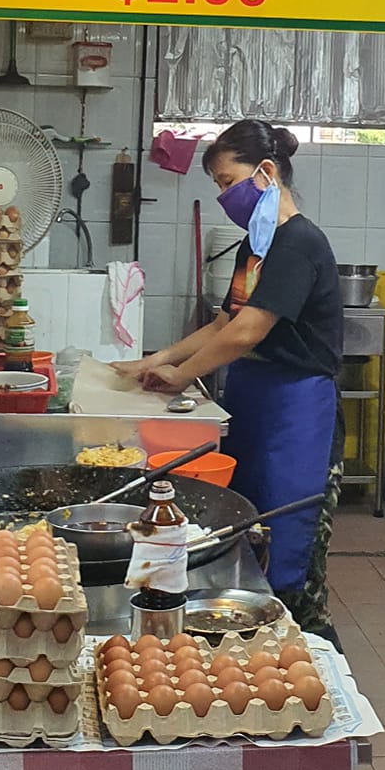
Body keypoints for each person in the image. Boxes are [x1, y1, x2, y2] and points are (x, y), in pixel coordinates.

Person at [115, 120, 343, 640]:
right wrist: (156, 359)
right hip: (254, 405)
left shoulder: (299, 243)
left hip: (297, 415)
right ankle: (251, 650)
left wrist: (180, 376)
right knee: (245, 537)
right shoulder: (255, 247)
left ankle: (316, 673)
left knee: (290, 560)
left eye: (226, 182)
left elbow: (246, 332)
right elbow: (224, 321)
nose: (223, 196)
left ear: (266, 172)